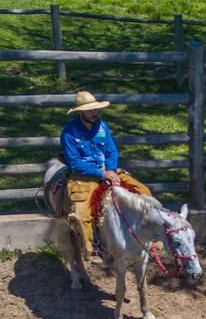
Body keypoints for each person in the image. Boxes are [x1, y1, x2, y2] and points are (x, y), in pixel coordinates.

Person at [59, 90, 151, 260]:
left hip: (108, 170)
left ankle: (146, 232)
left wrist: (111, 171)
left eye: (96, 109)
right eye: (90, 110)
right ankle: (91, 250)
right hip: (84, 176)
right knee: (82, 215)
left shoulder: (102, 126)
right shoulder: (69, 132)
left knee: (144, 191)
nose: (95, 112)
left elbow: (111, 151)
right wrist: (102, 173)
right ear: (80, 112)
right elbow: (74, 162)